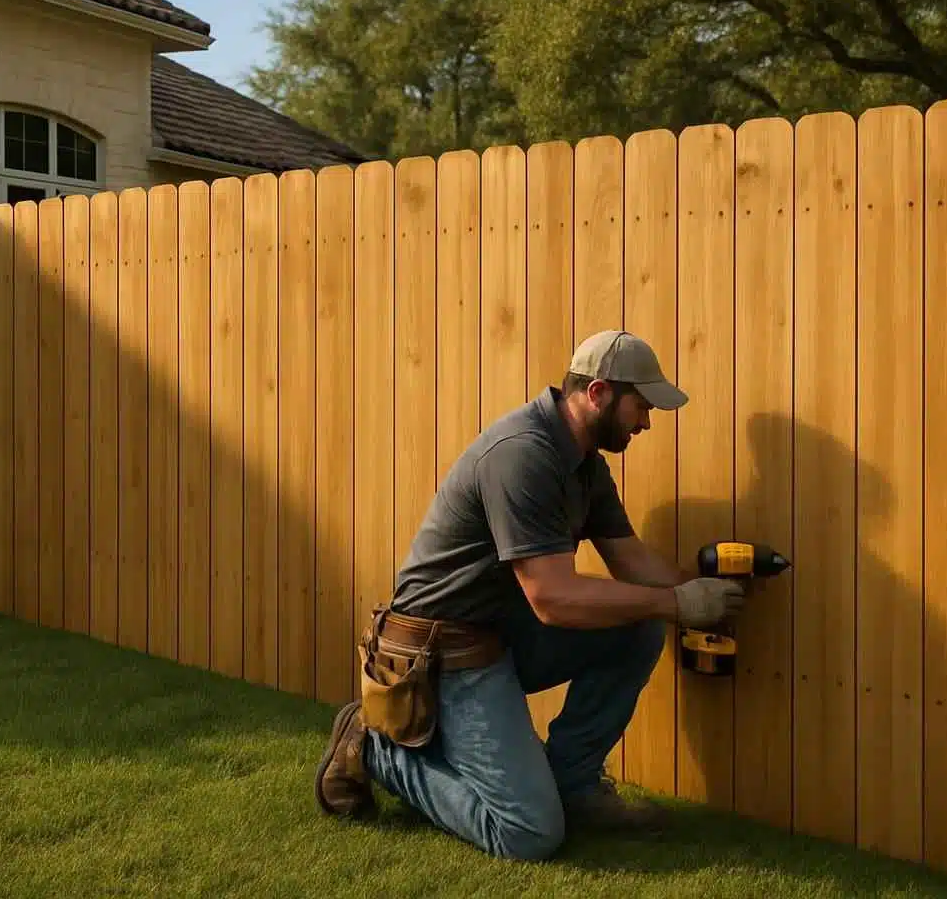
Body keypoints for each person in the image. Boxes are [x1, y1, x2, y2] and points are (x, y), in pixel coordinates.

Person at [313, 328, 748, 861]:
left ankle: (573, 787)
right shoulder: (522, 455)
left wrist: (703, 591)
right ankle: (375, 747)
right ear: (598, 393)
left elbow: (631, 561)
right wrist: (677, 604)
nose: (646, 422)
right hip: (442, 656)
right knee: (526, 832)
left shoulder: (585, 465)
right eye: (641, 406)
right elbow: (552, 598)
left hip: (499, 635)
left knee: (637, 625)